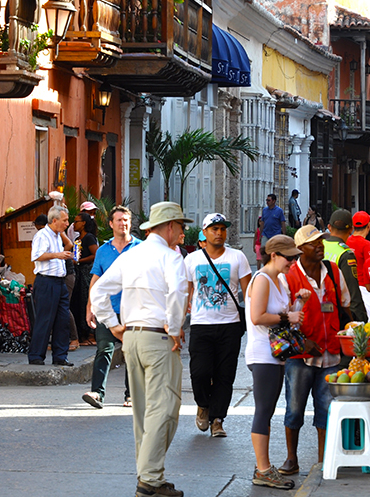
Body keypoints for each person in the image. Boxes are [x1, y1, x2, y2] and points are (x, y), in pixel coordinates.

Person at [90, 201, 191, 497]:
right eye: (181, 227)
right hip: (157, 337)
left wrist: (113, 324)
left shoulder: (131, 256)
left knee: (144, 412)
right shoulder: (170, 257)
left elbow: (98, 291)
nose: (182, 233)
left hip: (132, 337)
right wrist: (174, 329)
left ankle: (151, 475)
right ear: (170, 227)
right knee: (166, 408)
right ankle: (149, 477)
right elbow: (177, 294)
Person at [279, 225, 348, 475]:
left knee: (326, 410)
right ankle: (291, 458)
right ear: (300, 249)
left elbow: (346, 307)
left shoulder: (333, 271)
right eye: (313, 243)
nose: (320, 246)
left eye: (321, 241)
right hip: (300, 356)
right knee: (294, 408)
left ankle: (323, 460)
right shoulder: (288, 276)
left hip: (331, 355)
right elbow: (279, 319)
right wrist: (302, 341)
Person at [184, 213, 252, 438]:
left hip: (230, 325)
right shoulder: (192, 260)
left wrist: (252, 323)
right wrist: (177, 322)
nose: (219, 233)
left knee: (225, 375)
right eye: (214, 229)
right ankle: (203, 404)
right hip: (201, 325)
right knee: (200, 372)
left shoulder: (237, 257)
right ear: (204, 232)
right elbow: (186, 292)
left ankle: (217, 419)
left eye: (222, 229)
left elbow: (249, 293)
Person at [245, 235, 303, 490]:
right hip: (262, 354)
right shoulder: (262, 279)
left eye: (295, 257)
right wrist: (287, 315)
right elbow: (257, 317)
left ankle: (264, 467)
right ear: (274, 255)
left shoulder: (279, 280)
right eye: (289, 257)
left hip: (274, 355)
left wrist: (298, 303)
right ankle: (263, 469)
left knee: (267, 409)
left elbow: (286, 315)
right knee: (263, 409)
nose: (293, 261)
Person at [82, 206, 142, 409]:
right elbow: (95, 280)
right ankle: (97, 393)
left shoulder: (141, 248)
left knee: (131, 352)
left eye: (126, 220)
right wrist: (90, 306)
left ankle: (131, 395)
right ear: (110, 224)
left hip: (133, 310)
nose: (122, 223)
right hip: (106, 309)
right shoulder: (103, 251)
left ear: (130, 223)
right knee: (104, 350)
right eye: (118, 220)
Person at [27, 205, 75, 366]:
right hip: (46, 281)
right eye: (65, 220)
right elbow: (37, 256)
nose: (67, 223)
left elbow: (67, 246)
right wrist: (58, 255)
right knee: (44, 319)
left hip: (59, 281)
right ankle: (36, 356)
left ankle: (60, 356)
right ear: (54, 220)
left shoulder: (57, 235)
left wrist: (64, 251)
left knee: (62, 320)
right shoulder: (42, 235)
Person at [322, 209, 367, 322]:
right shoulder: (345, 253)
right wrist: (361, 319)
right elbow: (352, 290)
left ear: (329, 227)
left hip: (315, 308)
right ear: (351, 229)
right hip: (335, 311)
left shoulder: (318, 247)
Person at [71, 212, 99, 346]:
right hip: (78, 273)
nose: (74, 224)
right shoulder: (77, 239)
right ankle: (81, 333)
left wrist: (80, 261)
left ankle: (91, 334)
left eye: (76, 221)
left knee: (86, 301)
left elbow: (95, 254)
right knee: (78, 302)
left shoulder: (89, 238)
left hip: (87, 272)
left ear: (83, 223)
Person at [346, 211, 370, 275]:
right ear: (368, 226)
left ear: (353, 227)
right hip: (362, 283)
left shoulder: (345, 241)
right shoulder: (367, 245)